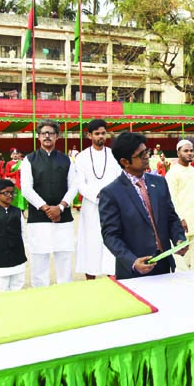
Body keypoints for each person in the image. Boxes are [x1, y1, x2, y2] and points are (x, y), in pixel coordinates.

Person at [99, 132, 187, 280]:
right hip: (134, 271)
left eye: (146, 151)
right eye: (141, 155)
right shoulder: (111, 193)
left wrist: (179, 238)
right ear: (125, 161)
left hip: (164, 264)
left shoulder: (159, 183)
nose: (147, 156)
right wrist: (132, 261)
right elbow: (111, 236)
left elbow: (171, 217)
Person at [21, 120, 77, 287]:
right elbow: (26, 189)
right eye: (43, 133)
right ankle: (41, 299)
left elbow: (74, 186)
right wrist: (46, 208)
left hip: (63, 218)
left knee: (64, 260)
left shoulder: (67, 160)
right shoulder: (29, 160)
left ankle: (65, 298)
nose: (47, 136)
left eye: (51, 133)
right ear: (38, 137)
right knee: (39, 261)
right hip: (38, 218)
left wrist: (60, 207)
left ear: (57, 136)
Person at [74, 119, 121, 280]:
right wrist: (98, 195)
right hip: (91, 206)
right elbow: (79, 183)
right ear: (89, 135)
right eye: (97, 134)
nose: (101, 136)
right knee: (91, 242)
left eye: (103, 133)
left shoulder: (114, 154)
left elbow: (120, 178)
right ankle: (91, 283)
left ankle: (113, 281)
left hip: (113, 206)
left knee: (112, 240)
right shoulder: (81, 157)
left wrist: (111, 195)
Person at [166, 140, 194, 271]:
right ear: (178, 152)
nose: (190, 153)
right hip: (180, 223)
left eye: (191, 151)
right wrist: (180, 218)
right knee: (181, 261)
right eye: (186, 151)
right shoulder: (172, 173)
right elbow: (171, 199)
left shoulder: (192, 171)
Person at [0, 179, 27, 292]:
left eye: (12, 192)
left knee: (18, 284)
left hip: (17, 254)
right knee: (3, 287)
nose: (10, 195)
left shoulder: (18, 212)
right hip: (0, 257)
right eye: (6, 193)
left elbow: (22, 233)